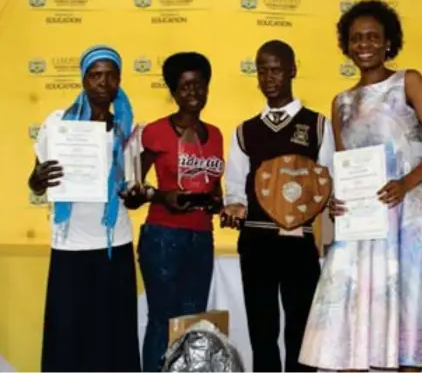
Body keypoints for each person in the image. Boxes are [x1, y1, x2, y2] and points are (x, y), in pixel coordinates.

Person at [299, 0, 422, 372]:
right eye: (356, 38)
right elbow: (344, 164)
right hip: (361, 230)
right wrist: (337, 199)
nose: (363, 44)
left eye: (372, 37)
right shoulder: (341, 103)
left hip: (408, 222)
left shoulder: (409, 82)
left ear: (388, 42)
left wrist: (406, 182)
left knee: (408, 321)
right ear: (346, 45)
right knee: (352, 337)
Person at [221, 39, 335, 372]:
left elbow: (328, 185)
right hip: (256, 243)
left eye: (276, 69)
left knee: (302, 333)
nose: (268, 77)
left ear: (292, 70)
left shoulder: (317, 125)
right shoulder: (245, 132)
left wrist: (325, 240)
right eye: (261, 70)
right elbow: (234, 189)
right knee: (262, 332)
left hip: (300, 244)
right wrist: (234, 207)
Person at [28, 45, 141, 372]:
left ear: (119, 79)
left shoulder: (130, 129)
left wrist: (135, 196)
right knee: (68, 339)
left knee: (113, 338)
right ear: (84, 79)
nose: (103, 83)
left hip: (114, 245)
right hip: (70, 246)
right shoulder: (57, 124)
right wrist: (36, 179)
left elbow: (131, 191)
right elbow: (37, 182)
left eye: (110, 75)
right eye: (95, 75)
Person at [120, 52, 225, 372]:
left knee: (193, 324)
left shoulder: (216, 134)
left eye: (199, 85)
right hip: (163, 238)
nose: (193, 93)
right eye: (185, 87)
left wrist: (217, 203)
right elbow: (132, 193)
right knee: (162, 320)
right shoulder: (155, 132)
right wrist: (162, 195)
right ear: (174, 92)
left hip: (201, 237)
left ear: (208, 87)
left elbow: (215, 188)